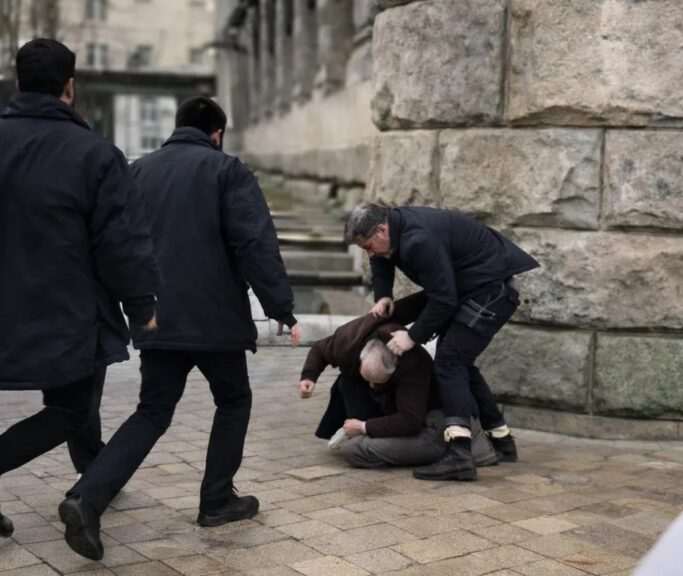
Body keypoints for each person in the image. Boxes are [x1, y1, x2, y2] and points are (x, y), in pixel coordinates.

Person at [58, 96, 301, 561]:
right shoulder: (227, 170)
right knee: (233, 399)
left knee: (152, 411)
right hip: (214, 319)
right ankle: (216, 500)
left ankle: (85, 499)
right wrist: (280, 307)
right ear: (217, 134)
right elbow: (254, 242)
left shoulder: (138, 172)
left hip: (154, 315)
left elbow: (111, 241)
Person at [0, 39, 159, 539]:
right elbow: (121, 243)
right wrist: (141, 306)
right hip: (65, 311)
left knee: (75, 409)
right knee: (70, 410)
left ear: (19, 83)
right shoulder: (96, 154)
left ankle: (91, 479)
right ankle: (89, 485)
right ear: (70, 87)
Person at [344, 203, 539, 481]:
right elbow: (381, 259)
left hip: (491, 292)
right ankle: (502, 441)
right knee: (460, 364)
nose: (370, 253)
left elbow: (443, 300)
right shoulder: (394, 228)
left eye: (368, 246)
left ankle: (460, 454)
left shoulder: (418, 240)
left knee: (450, 363)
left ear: (382, 230)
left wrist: (413, 336)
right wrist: (383, 294)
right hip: (473, 289)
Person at [300, 293, 497, 469]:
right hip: (411, 412)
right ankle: (388, 439)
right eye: (368, 378)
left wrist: (364, 427)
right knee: (347, 382)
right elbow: (319, 349)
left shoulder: (413, 364)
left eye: (378, 382)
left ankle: (461, 449)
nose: (372, 386)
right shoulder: (351, 339)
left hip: (434, 421)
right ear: (361, 356)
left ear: (394, 370)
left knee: (353, 449)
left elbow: (410, 421)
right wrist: (309, 376)